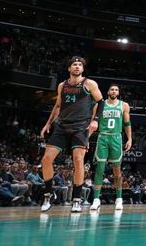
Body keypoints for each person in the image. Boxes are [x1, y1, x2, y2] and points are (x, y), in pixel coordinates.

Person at [40, 56, 103, 212]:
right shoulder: (62, 85)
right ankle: (48, 195)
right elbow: (57, 105)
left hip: (80, 127)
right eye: (74, 64)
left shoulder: (89, 83)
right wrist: (48, 124)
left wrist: (95, 120)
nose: (77, 67)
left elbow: (101, 102)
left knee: (78, 160)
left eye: (80, 65)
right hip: (62, 126)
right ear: (69, 68)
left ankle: (76, 199)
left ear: (82, 69)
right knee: (46, 159)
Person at [90, 84, 132, 212]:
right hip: (103, 137)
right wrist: (86, 139)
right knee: (100, 169)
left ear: (118, 93)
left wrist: (129, 138)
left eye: (116, 90)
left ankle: (119, 199)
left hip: (116, 138)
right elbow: (92, 122)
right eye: (112, 89)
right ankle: (96, 199)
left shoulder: (124, 105)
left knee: (117, 170)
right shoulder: (99, 105)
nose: (114, 91)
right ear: (108, 91)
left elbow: (127, 123)